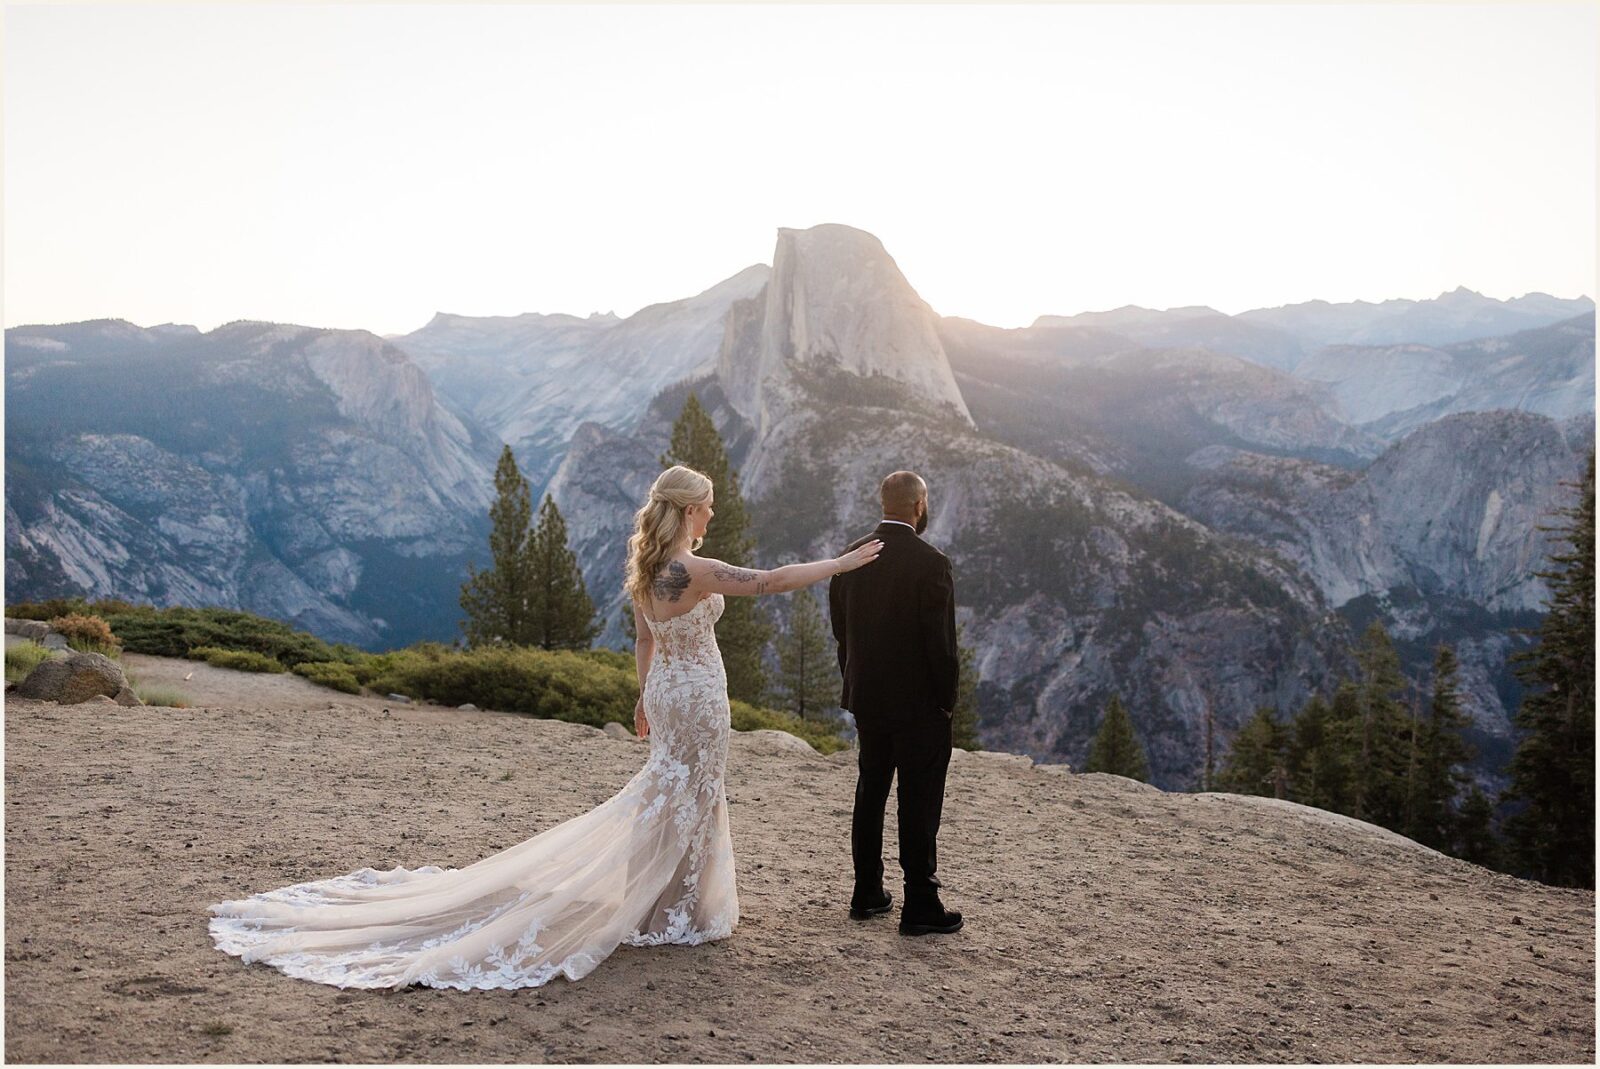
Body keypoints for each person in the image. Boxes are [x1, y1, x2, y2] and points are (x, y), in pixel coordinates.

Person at [206, 463, 882, 990]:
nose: (712, 512)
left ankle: (667, 905)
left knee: (675, 791)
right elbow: (768, 580)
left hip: (671, 692)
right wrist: (840, 565)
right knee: (689, 793)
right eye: (706, 505)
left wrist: (644, 697)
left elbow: (645, 640)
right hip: (699, 697)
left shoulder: (648, 569)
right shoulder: (692, 569)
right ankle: (674, 909)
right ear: (687, 510)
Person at [828, 470, 963, 935]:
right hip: (920, 706)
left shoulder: (852, 556)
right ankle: (920, 903)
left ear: (882, 503)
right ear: (919, 506)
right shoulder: (931, 563)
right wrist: (946, 701)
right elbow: (941, 644)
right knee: (918, 800)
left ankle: (867, 892)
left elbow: (841, 632)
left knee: (871, 790)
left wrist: (856, 683)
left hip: (868, 699)